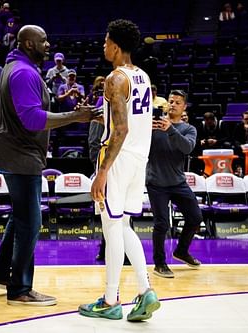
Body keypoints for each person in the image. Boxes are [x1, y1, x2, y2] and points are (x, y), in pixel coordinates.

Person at [0, 24, 96, 306]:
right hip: (20, 155)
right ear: (29, 44)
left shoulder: (16, 68)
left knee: (20, 216)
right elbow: (32, 119)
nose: (48, 45)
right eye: (43, 40)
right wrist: (75, 116)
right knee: (31, 223)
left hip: (14, 152)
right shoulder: (22, 72)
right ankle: (20, 289)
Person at [78, 19, 160, 322]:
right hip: (139, 158)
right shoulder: (142, 76)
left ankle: (111, 300)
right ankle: (145, 290)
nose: (103, 45)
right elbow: (129, 122)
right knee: (123, 226)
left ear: (115, 45)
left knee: (111, 229)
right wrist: (103, 119)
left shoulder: (114, 78)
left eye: (105, 40)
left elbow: (121, 130)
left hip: (118, 158)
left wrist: (102, 172)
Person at [146, 90, 203, 278]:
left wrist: (170, 129)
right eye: (171, 101)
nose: (173, 104)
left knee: (195, 217)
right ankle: (160, 264)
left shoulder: (189, 129)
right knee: (161, 224)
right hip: (156, 182)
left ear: (184, 107)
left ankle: (181, 251)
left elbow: (187, 148)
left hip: (178, 182)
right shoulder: (153, 124)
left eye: (178, 102)